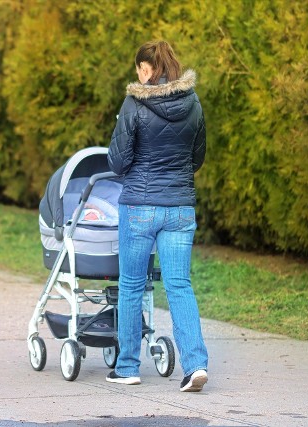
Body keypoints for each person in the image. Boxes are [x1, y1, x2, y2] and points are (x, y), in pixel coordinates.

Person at [106, 40, 208, 392]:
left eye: (139, 69)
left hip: (139, 208)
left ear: (146, 69)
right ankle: (195, 365)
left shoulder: (134, 103)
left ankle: (128, 367)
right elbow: (197, 158)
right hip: (180, 208)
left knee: (132, 285)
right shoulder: (193, 104)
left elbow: (117, 162)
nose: (138, 74)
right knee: (179, 285)